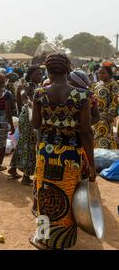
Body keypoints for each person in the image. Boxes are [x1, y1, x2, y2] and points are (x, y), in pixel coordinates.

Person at [30, 53, 96, 250]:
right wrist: (91, 165)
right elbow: (86, 132)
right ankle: (62, 242)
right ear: (69, 70)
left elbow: (35, 123)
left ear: (48, 71)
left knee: (44, 196)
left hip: (46, 153)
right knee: (67, 197)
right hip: (70, 155)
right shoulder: (83, 95)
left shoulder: (40, 93)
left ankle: (43, 239)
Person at [8, 65, 42, 185]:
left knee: (23, 143)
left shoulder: (32, 85)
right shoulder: (31, 85)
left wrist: (26, 104)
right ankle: (26, 176)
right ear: (31, 75)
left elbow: (20, 95)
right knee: (29, 146)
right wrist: (29, 104)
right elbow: (22, 95)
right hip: (29, 118)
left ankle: (12, 169)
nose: (40, 76)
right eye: (37, 74)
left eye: (41, 74)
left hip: (25, 116)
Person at [92, 65, 118, 149]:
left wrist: (110, 114)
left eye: (103, 73)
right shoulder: (96, 84)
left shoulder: (113, 84)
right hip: (95, 114)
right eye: (99, 73)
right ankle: (97, 155)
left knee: (104, 135)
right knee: (95, 134)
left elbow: (115, 100)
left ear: (109, 74)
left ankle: (105, 155)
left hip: (106, 115)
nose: (100, 75)